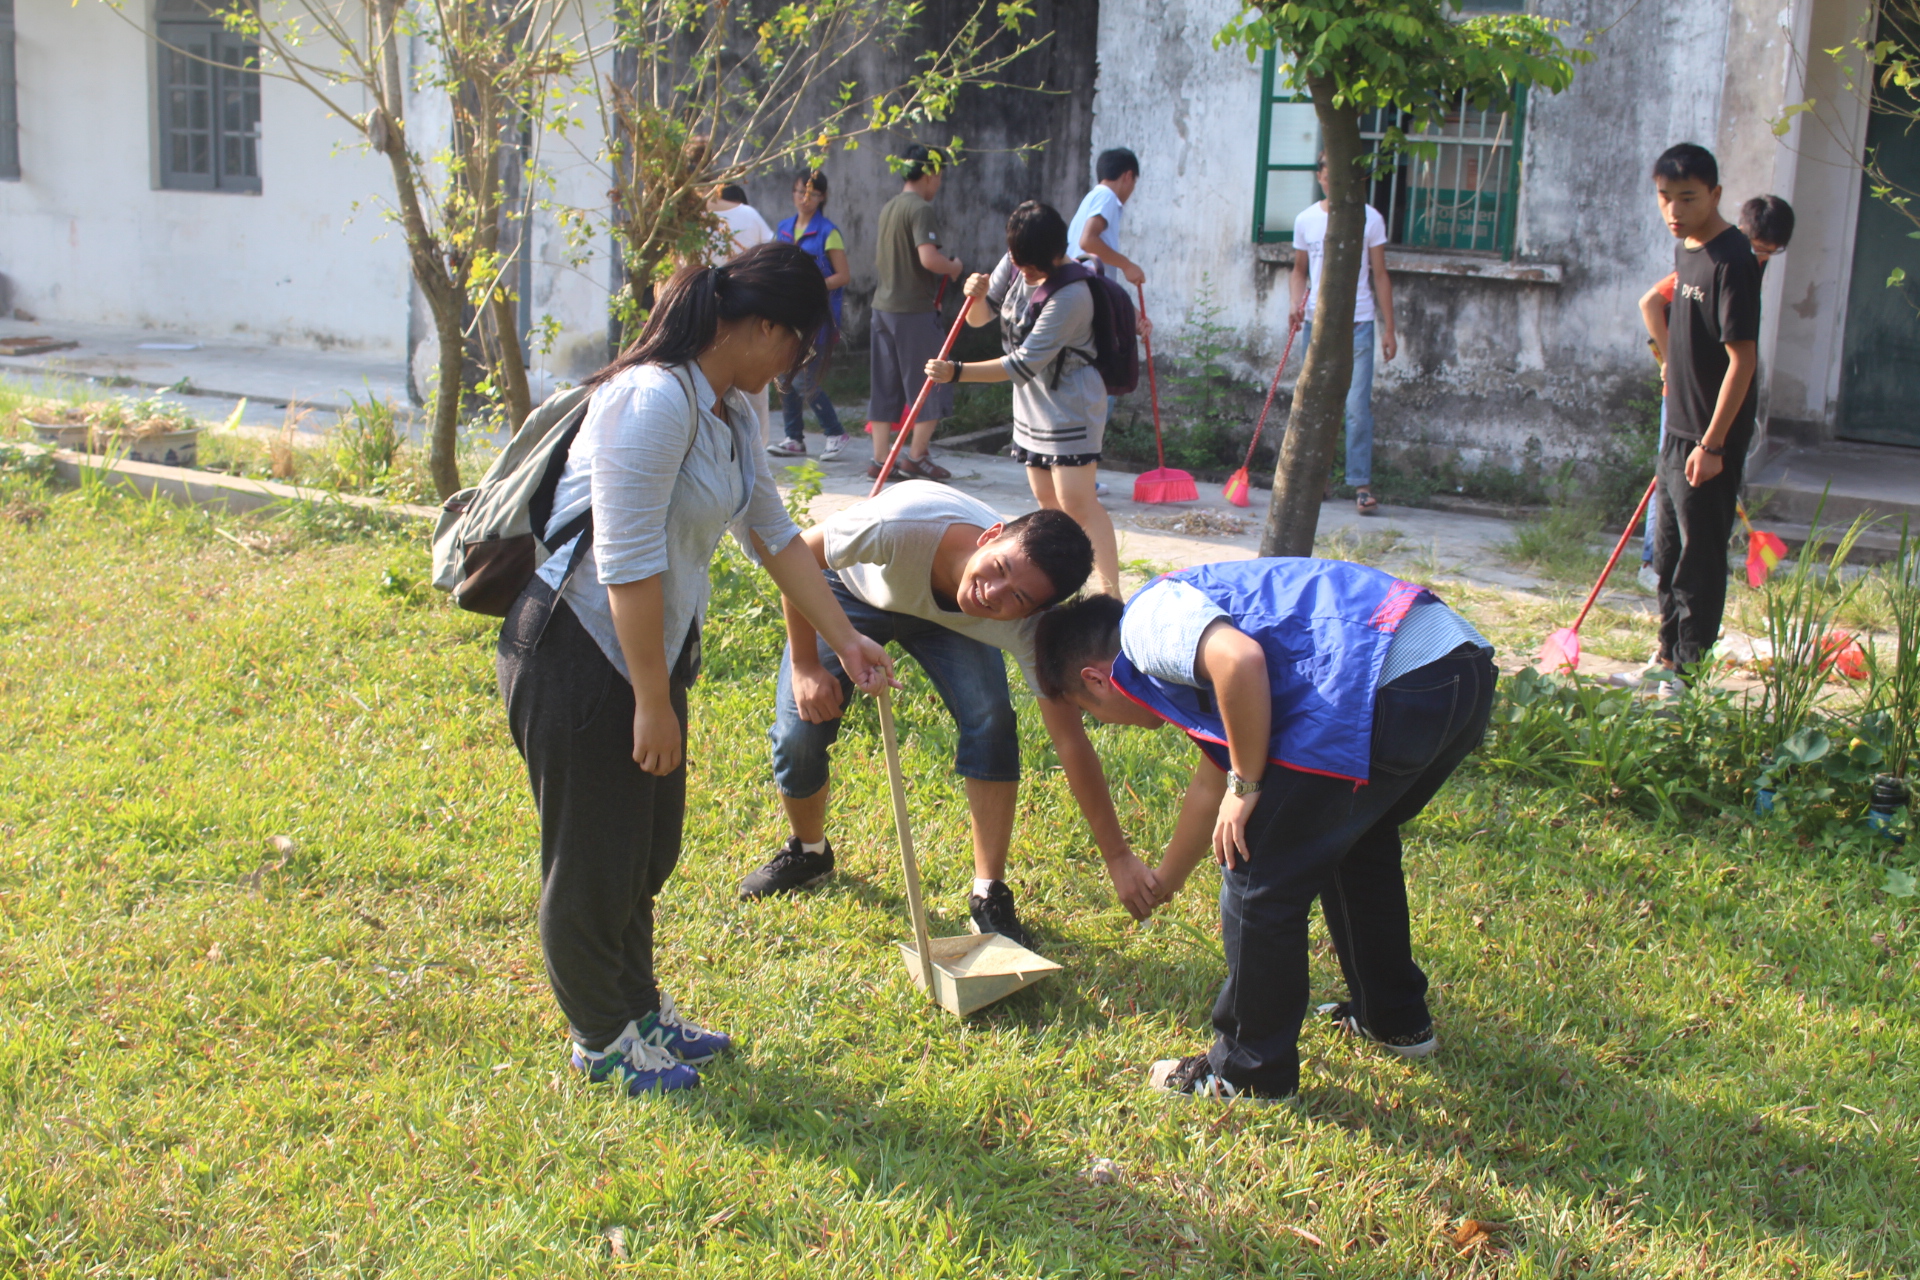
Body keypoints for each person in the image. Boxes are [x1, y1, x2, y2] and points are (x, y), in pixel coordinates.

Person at [497, 244, 896, 1097]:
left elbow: (774, 534)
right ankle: (601, 1039)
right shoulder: (649, 401)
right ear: (757, 327)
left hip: (647, 653)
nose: (797, 363)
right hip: (579, 648)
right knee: (593, 856)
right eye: (797, 343)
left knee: (647, 848)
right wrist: (649, 699)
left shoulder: (730, 407)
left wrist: (843, 638)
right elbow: (627, 560)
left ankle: (638, 1008)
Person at [1032, 560, 1495, 1100]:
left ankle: (1249, 1072)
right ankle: (1394, 1021)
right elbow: (1210, 785)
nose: (1100, 722)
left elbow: (1241, 660)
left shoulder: (1145, 626)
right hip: (1457, 669)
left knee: (1258, 875)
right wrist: (1166, 881)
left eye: (1088, 713)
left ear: (1094, 680)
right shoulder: (1188, 665)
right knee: (1353, 847)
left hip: (1390, 678)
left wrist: (1247, 784)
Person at [738, 479, 1166, 947]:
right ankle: (808, 851)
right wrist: (804, 665)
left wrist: (1119, 856)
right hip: (850, 588)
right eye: (999, 567)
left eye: (1018, 598)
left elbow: (1070, 741)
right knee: (802, 728)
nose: (992, 593)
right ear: (991, 535)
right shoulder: (901, 525)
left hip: (950, 625)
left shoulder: (1028, 628)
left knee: (992, 720)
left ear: (1035, 610)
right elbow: (795, 555)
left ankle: (989, 892)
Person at [924, 200, 1120, 598]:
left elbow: (1023, 364)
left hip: (1071, 406)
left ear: (1056, 253)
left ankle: (1110, 595)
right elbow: (979, 317)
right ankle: (1064, 585)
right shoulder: (1015, 260)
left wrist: (956, 372)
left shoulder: (1073, 294)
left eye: (1035, 268)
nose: (1026, 274)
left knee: (1078, 503)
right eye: (1021, 264)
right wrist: (974, 294)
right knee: (1048, 502)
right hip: (1031, 405)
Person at [1646, 143, 1762, 679]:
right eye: (1665, 198)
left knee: (1700, 562)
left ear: (1715, 194)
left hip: (1709, 440)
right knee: (1667, 556)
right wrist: (1669, 362)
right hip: (1678, 426)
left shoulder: (1734, 259)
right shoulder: (1687, 246)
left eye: (1687, 198)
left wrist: (1713, 445)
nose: (1674, 211)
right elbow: (1665, 312)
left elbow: (1743, 361)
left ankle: (1689, 676)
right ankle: (1667, 655)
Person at [1635, 194, 1793, 577]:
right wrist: (1672, 361)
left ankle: (1678, 568)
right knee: (1669, 483)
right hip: (1683, 401)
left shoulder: (1746, 267)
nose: (1761, 259)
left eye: (1771, 253)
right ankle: (1652, 563)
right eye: (1757, 249)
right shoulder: (1716, 261)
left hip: (1714, 398)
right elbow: (1650, 303)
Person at [1289, 154, 1398, 515]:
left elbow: (1380, 274)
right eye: (1327, 173)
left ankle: (1361, 484)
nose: (1332, 181)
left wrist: (1389, 328)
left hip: (1361, 323)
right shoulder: (1306, 219)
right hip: (1317, 325)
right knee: (1313, 404)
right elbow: (1299, 271)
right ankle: (1312, 480)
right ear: (1319, 176)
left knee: (1355, 407)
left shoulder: (1370, 218)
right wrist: (1295, 304)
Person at [868, 144, 965, 484]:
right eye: (938, 177)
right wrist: (953, 267)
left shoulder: (889, 207)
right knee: (932, 382)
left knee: (885, 387)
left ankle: (881, 459)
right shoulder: (920, 210)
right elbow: (929, 259)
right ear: (928, 174)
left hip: (882, 308)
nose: (938, 185)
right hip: (913, 311)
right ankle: (916, 456)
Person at [769, 170, 852, 461]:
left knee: (805, 380)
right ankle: (794, 438)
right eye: (800, 193)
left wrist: (811, 285)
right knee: (783, 374)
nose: (805, 200)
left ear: (823, 197)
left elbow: (843, 276)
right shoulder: (783, 229)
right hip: (787, 315)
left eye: (813, 194)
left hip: (817, 319)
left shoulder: (829, 233)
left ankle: (835, 432)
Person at [707, 183, 777, 443]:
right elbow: (772, 264)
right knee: (752, 410)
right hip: (751, 322)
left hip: (705, 322)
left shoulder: (684, 221)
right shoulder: (749, 215)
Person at [1065, 147, 1152, 341]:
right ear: (1128, 176)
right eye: (1134, 182)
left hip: (1080, 290)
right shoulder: (1107, 197)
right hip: (1086, 295)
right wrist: (1127, 265)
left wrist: (1133, 314)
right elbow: (1088, 241)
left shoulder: (1091, 199)